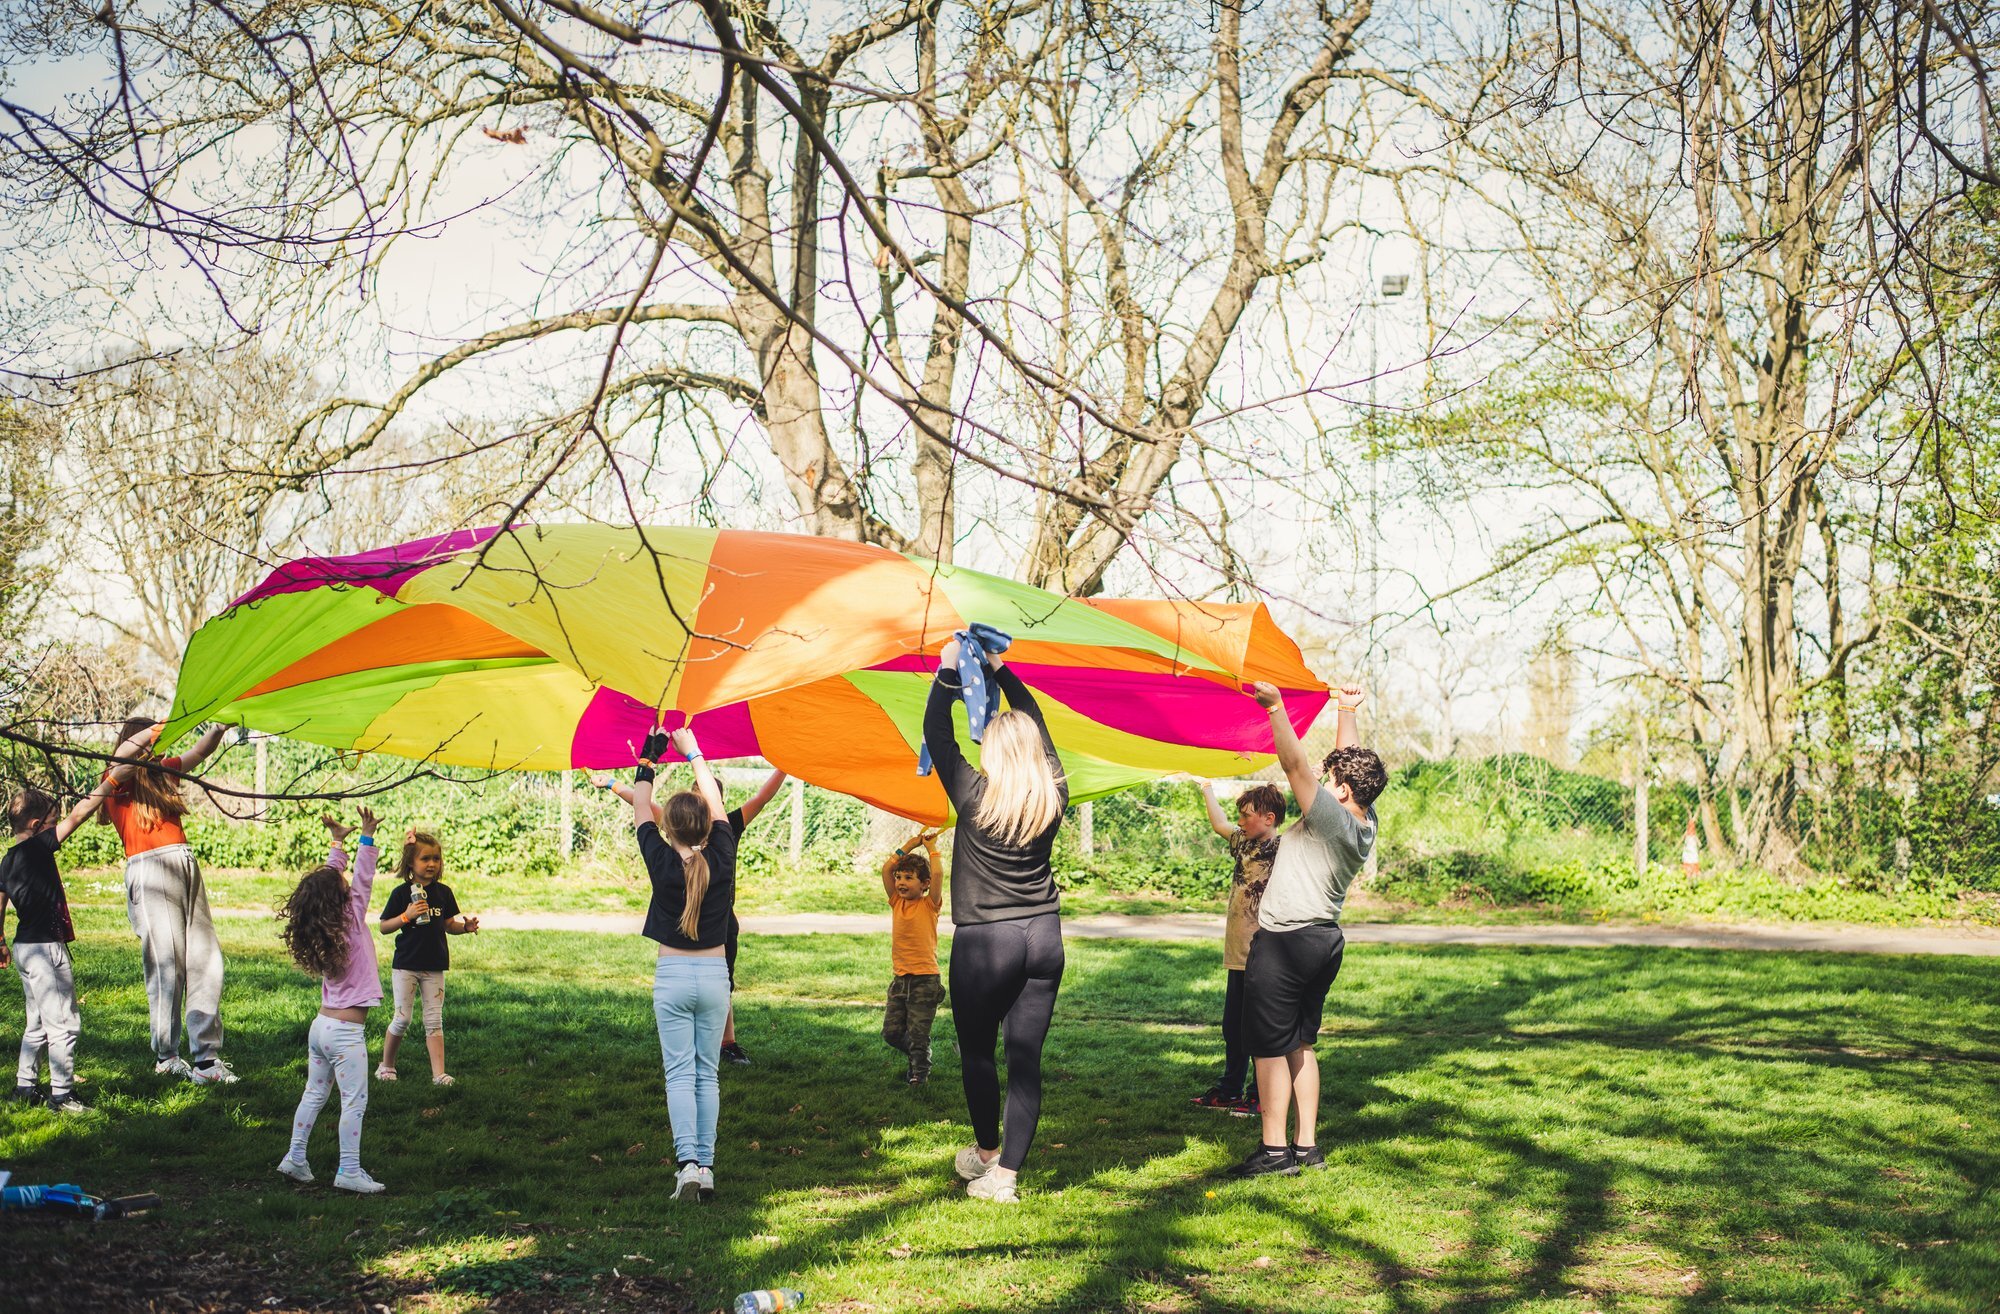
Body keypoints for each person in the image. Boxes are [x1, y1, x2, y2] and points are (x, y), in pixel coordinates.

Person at [925, 632, 1068, 1204]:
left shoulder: (974, 794)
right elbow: (1038, 721)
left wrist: (948, 672)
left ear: (992, 751)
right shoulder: (1054, 793)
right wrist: (1001, 670)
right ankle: (1005, 1178)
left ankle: (987, 1154)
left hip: (987, 943)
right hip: (1044, 935)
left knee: (980, 1053)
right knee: (1026, 1060)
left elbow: (937, 733)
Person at [1232, 683, 1386, 1179]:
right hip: (1323, 942)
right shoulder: (1365, 819)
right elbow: (1350, 765)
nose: (1323, 775)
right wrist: (1346, 709)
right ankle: (1306, 1147)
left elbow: (1295, 765)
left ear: (1340, 792)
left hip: (1284, 944)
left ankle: (1274, 1151)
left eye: (1331, 777)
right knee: (1300, 1044)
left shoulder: (1329, 818)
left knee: (1268, 1048)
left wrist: (1276, 709)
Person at [598, 766, 786, 1066]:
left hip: (718, 924)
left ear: (717, 804)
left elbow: (762, 798)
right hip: (685, 925)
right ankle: (703, 1046)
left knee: (723, 983)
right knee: (708, 987)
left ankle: (727, 1043)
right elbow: (643, 805)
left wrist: (785, 766)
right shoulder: (696, 828)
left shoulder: (726, 828)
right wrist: (611, 783)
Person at [2, 744, 146, 1113]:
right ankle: (62, 1095)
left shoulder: (8, 859)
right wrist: (112, 781)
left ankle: (25, 1087)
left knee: (36, 1022)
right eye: (52, 822)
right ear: (36, 826)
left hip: (23, 947)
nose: (57, 828)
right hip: (46, 949)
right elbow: (80, 814)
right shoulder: (36, 848)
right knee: (64, 1024)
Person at [101, 716, 241, 1084]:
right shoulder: (117, 778)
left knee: (205, 959)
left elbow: (199, 752)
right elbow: (123, 755)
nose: (162, 746)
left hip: (184, 864)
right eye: (155, 741)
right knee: (167, 965)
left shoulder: (163, 772)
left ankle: (207, 1061)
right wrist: (170, 722)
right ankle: (167, 1056)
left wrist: (218, 728)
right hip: (150, 871)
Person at [632, 727, 736, 1204]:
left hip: (672, 977)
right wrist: (692, 748)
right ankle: (707, 1168)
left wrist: (650, 758)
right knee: (706, 1074)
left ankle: (687, 1166)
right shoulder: (723, 855)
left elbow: (640, 805)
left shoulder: (659, 859)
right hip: (715, 978)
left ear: (667, 830)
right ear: (709, 828)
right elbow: (714, 801)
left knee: (679, 1074)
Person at [275, 808, 387, 1193]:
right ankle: (349, 1171)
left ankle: (295, 1158)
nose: (348, 884)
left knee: (314, 1094)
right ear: (341, 897)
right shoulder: (351, 919)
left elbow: (328, 880)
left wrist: (337, 842)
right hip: (345, 1035)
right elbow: (363, 878)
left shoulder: (321, 926)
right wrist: (366, 836)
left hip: (321, 1028)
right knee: (354, 1102)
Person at [1193, 780, 1286, 1116]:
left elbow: (1311, 820)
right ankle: (1230, 1090)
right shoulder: (1243, 842)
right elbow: (1219, 823)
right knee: (1233, 1027)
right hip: (1237, 955)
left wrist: (1314, 777)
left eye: (1247, 815)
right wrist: (1206, 787)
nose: (1240, 821)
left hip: (1263, 955)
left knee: (1258, 1028)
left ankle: (1258, 1095)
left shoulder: (1284, 849)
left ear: (1269, 818)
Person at [374, 829, 479, 1085]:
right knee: (402, 1019)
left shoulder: (443, 893)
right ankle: (386, 1066)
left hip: (434, 965)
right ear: (411, 862)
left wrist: (465, 928)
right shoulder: (401, 893)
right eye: (425, 858)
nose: (432, 864)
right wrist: (406, 916)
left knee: (434, 1021)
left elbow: (448, 925)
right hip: (406, 965)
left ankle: (439, 1074)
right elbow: (384, 927)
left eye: (436, 858)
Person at [878, 829, 944, 1085]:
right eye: (899, 877)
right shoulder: (897, 902)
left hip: (925, 981)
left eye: (908, 877)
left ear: (924, 884)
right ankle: (920, 1055)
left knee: (918, 1034)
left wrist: (931, 848)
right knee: (891, 1033)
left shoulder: (930, 905)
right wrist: (910, 844)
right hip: (900, 981)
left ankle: (919, 1074)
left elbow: (938, 874)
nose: (900, 882)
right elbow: (886, 869)